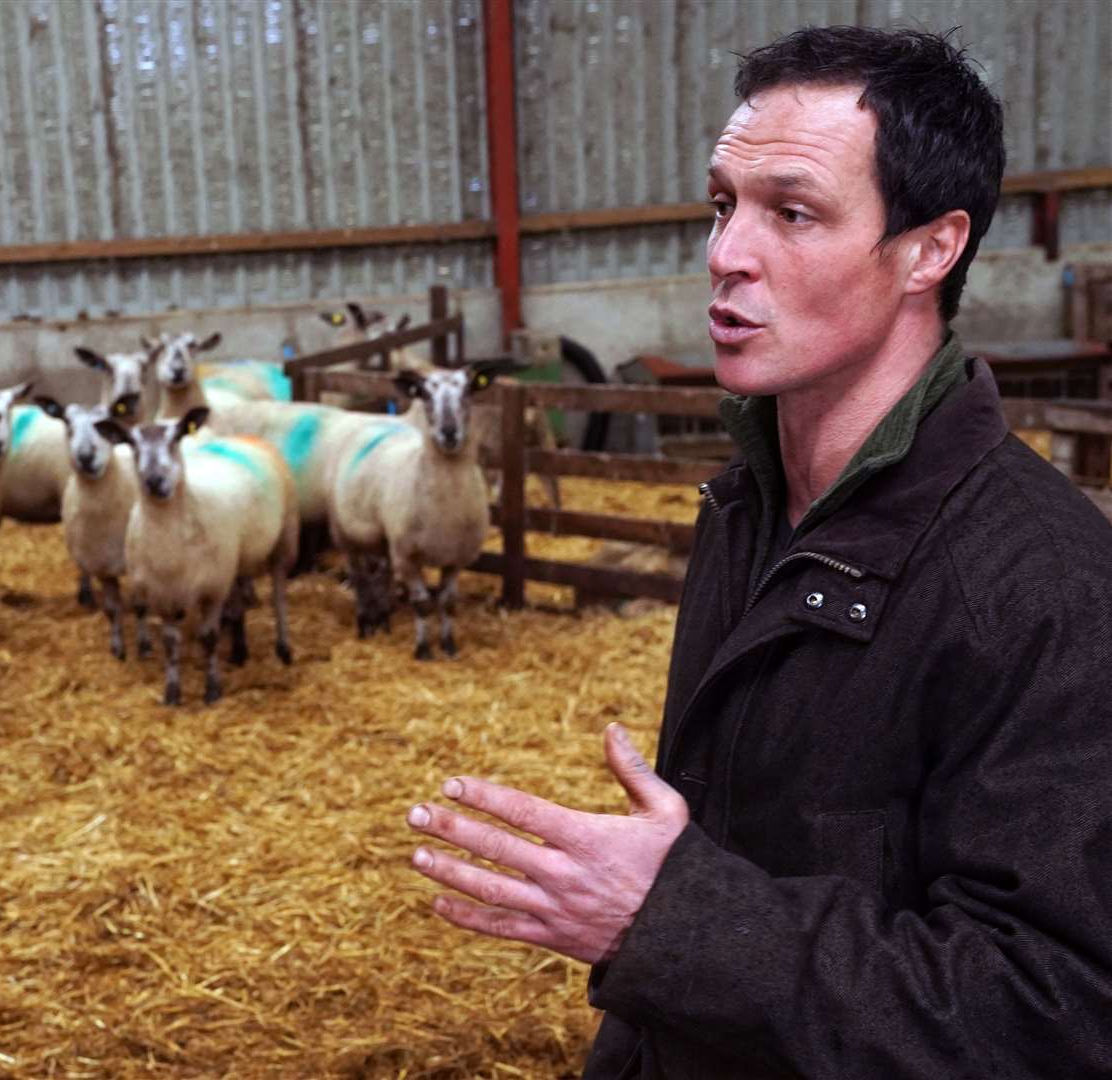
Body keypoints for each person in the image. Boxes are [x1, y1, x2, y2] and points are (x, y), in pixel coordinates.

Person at [406, 25, 1112, 1078]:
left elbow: (1049, 1010)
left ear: (929, 248)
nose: (725, 253)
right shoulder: (749, 504)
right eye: (721, 204)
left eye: (792, 212)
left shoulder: (1040, 585)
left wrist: (672, 921)